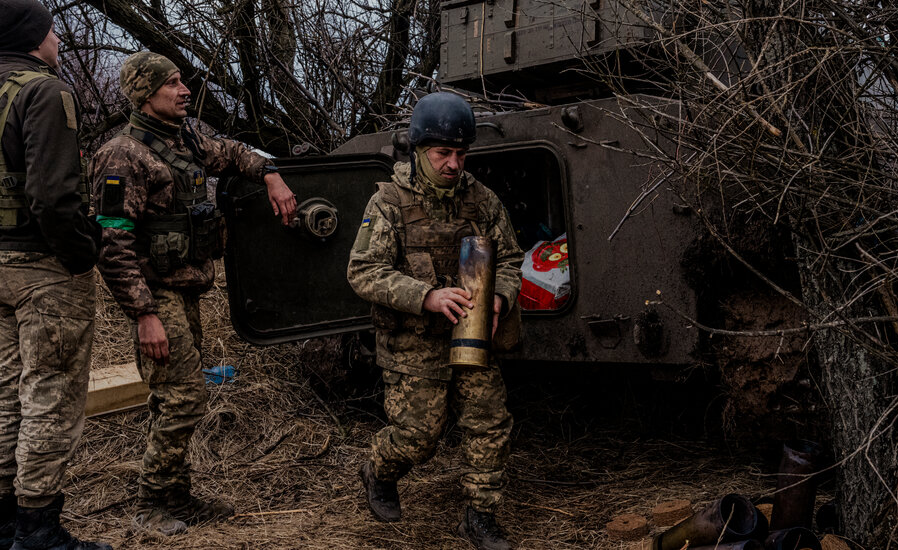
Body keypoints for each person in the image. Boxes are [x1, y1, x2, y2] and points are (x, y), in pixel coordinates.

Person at [90, 51, 297, 536]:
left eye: (183, 81)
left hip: (185, 291)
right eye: (173, 83)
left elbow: (230, 153)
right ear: (146, 94)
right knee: (184, 399)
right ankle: (149, 505)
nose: (185, 90)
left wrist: (271, 173)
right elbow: (112, 244)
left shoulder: (183, 139)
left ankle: (177, 497)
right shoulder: (122, 155)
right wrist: (144, 315)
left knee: (170, 398)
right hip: (155, 295)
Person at [348, 92, 523, 550]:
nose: (453, 164)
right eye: (443, 153)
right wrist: (425, 295)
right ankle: (379, 468)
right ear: (419, 150)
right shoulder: (389, 202)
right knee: (418, 437)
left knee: (489, 423)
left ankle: (480, 517)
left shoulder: (481, 200)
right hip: (413, 342)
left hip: (471, 336)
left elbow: (509, 257)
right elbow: (363, 271)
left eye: (461, 153)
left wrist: (501, 295)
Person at [0, 2, 112, 549]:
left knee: (4, 395)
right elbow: (52, 197)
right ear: (32, 36)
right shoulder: (44, 91)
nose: (58, 40)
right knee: (51, 395)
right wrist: (81, 252)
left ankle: (4, 524)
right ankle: (38, 530)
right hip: (43, 267)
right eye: (52, 30)